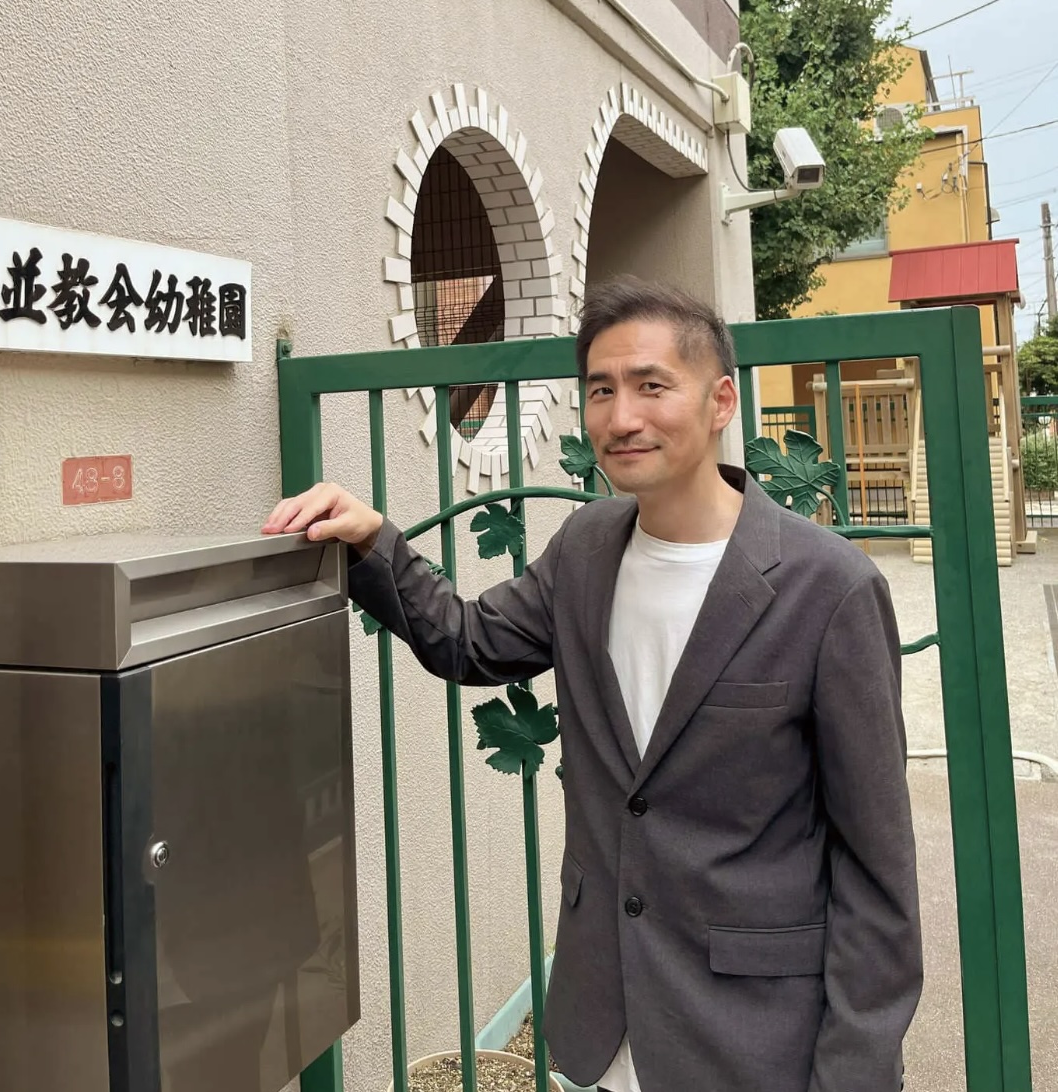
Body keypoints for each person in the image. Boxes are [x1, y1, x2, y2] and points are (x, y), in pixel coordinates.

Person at [262, 276, 923, 1092]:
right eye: (600, 390)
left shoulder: (829, 588)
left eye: (651, 386)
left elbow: (875, 868)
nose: (621, 418)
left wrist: (854, 1073)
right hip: (605, 1019)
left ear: (719, 401)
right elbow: (470, 643)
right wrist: (371, 544)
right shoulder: (586, 548)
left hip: (754, 1036)